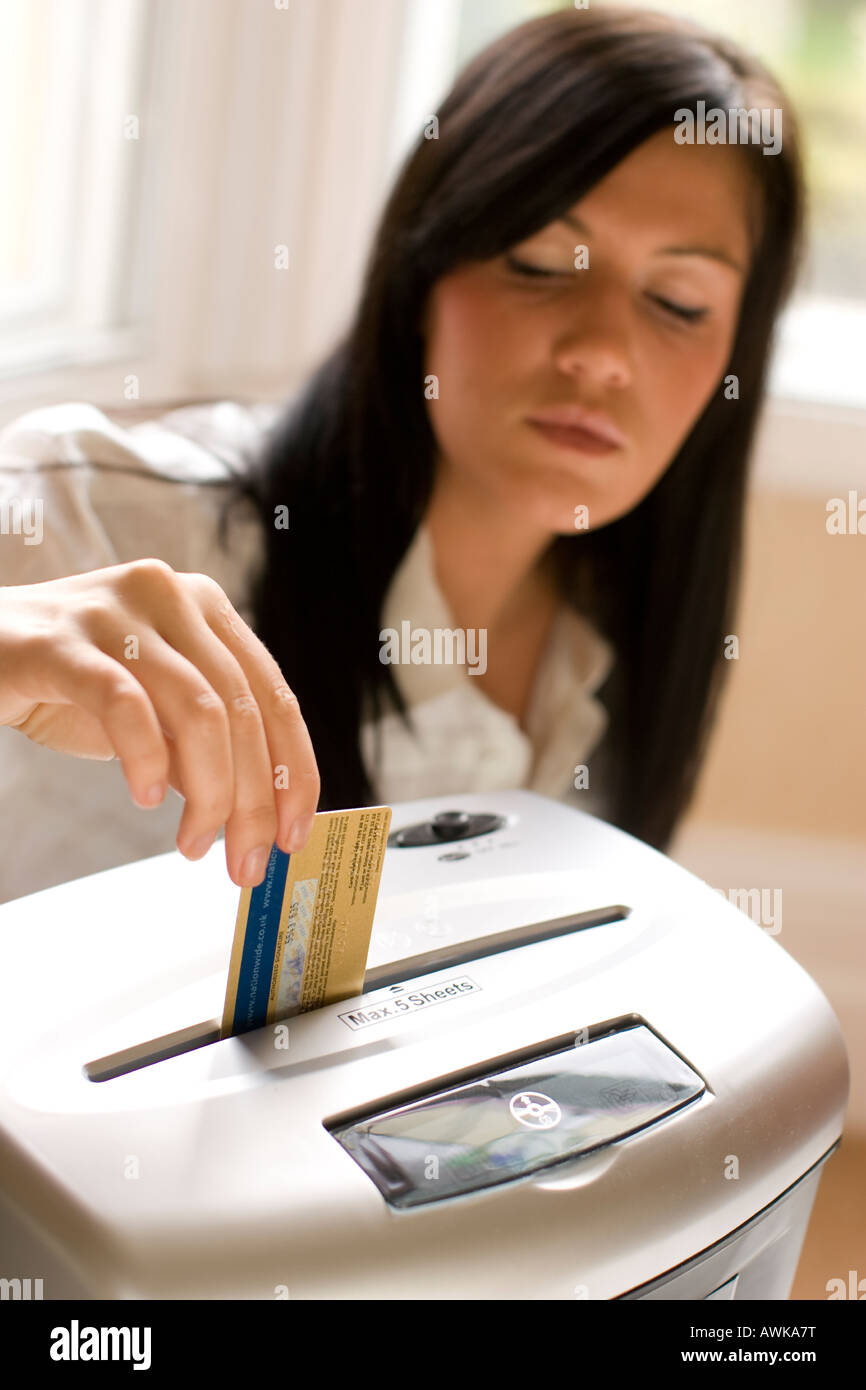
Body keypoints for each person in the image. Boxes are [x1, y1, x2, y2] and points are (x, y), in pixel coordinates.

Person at [0, 5, 805, 903]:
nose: (602, 351)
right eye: (541, 262)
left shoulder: (624, 645)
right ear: (423, 267)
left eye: (680, 303)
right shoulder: (106, 519)